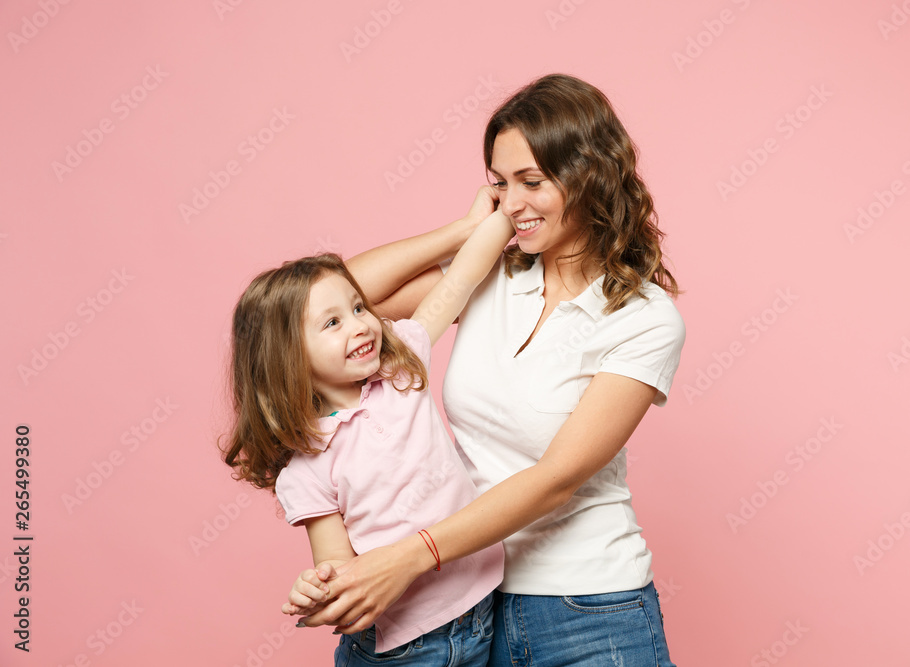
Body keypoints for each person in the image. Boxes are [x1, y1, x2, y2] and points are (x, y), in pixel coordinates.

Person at [299, 73, 685, 666]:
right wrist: (467, 232)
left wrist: (408, 556)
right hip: (472, 606)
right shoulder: (493, 277)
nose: (513, 202)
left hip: (589, 610)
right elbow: (333, 301)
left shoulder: (643, 319)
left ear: (589, 176)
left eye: (532, 182)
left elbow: (557, 476)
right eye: (500, 184)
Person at [221, 208, 513, 665]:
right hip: (405, 649)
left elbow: (458, 282)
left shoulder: (402, 368)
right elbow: (337, 561)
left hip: (485, 607)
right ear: (287, 356)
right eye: (332, 323)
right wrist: (320, 587)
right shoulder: (306, 467)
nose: (361, 324)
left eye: (359, 309)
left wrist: (496, 218)